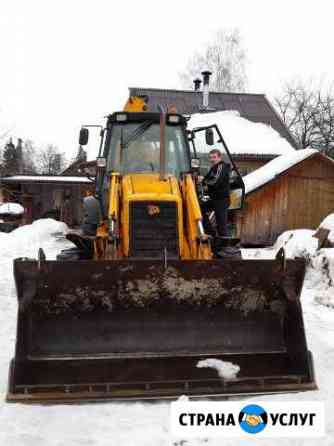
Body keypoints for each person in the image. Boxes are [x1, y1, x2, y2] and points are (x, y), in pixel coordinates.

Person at [200, 149, 231, 237]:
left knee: (221, 225)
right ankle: (210, 232)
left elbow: (216, 181)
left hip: (222, 200)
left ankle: (225, 246)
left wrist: (205, 182)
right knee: (200, 207)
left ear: (219, 157)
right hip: (214, 199)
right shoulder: (213, 168)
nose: (212, 159)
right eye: (210, 158)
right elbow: (206, 179)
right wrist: (201, 180)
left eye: (214, 157)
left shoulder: (222, 166)